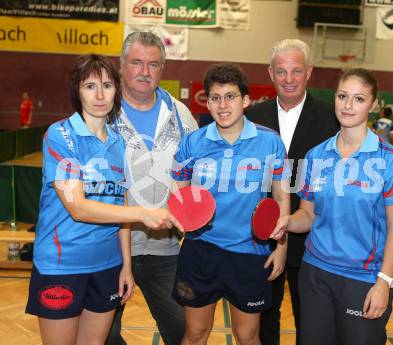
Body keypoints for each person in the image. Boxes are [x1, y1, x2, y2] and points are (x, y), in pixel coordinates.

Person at [25, 54, 182, 345]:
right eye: (89, 86)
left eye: (107, 86)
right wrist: (143, 213)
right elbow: (78, 207)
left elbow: (118, 206)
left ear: (116, 92)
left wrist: (125, 265)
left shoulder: (118, 141)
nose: (99, 95)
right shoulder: (60, 136)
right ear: (77, 91)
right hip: (62, 265)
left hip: (107, 265)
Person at [272, 68, 393, 345]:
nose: (348, 105)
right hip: (315, 275)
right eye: (342, 96)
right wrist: (288, 221)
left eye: (359, 99)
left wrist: (384, 282)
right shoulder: (315, 156)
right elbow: (308, 214)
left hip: (364, 279)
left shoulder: (392, 161)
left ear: (373, 105)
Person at [171, 63, 291, 345]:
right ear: (207, 102)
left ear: (246, 100)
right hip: (201, 251)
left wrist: (282, 247)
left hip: (250, 253)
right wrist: (185, 226)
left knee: (247, 336)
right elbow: (180, 190)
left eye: (230, 96)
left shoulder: (270, 142)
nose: (222, 105)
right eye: (215, 97)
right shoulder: (193, 142)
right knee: (195, 333)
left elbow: (281, 196)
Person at [106, 32, 198, 345]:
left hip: (167, 248)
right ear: (121, 66)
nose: (145, 71)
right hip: (111, 249)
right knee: (103, 335)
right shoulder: (102, 114)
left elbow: (197, 175)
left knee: (186, 332)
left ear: (162, 69)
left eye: (153, 64)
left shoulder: (181, 115)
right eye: (137, 63)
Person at [246, 38, 339, 345]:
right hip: (263, 236)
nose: (288, 79)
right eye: (281, 71)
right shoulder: (252, 118)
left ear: (309, 72)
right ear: (270, 73)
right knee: (264, 321)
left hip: (313, 237)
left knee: (311, 325)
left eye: (296, 71)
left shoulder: (332, 118)